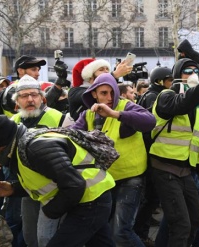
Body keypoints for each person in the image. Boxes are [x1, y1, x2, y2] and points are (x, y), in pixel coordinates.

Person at [0, 115, 117, 247]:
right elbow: (48, 179)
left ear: (1, 146)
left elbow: (74, 185)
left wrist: (50, 211)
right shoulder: (23, 145)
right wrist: (13, 189)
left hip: (91, 202)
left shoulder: (36, 149)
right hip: (88, 201)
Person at [149, 58, 199, 247]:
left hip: (186, 171)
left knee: (195, 220)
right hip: (165, 169)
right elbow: (184, 102)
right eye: (187, 71)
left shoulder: (195, 108)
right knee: (181, 225)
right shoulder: (165, 97)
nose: (193, 75)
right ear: (177, 76)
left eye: (196, 71)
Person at [70, 72, 156, 246]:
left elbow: (150, 121)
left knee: (122, 232)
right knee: (104, 232)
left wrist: (116, 114)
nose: (109, 98)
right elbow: (70, 136)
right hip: (103, 181)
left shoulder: (127, 106)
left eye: (112, 92)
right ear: (94, 94)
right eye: (103, 93)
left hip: (131, 178)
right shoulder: (87, 115)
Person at [9, 75, 73, 246]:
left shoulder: (60, 118)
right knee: (30, 237)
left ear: (43, 98)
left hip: (57, 191)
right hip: (29, 190)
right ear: (17, 102)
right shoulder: (12, 124)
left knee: (48, 239)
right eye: (24, 96)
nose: (30, 99)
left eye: (34, 95)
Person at [134, 66, 173, 247]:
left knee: (151, 197)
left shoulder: (151, 95)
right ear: (159, 81)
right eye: (169, 80)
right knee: (150, 198)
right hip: (151, 152)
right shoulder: (154, 97)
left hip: (149, 152)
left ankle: (141, 231)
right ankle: (140, 233)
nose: (171, 84)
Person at [68, 58, 132, 121]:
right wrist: (114, 75)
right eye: (101, 70)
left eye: (107, 69)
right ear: (90, 75)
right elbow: (88, 95)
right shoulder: (74, 91)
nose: (106, 72)